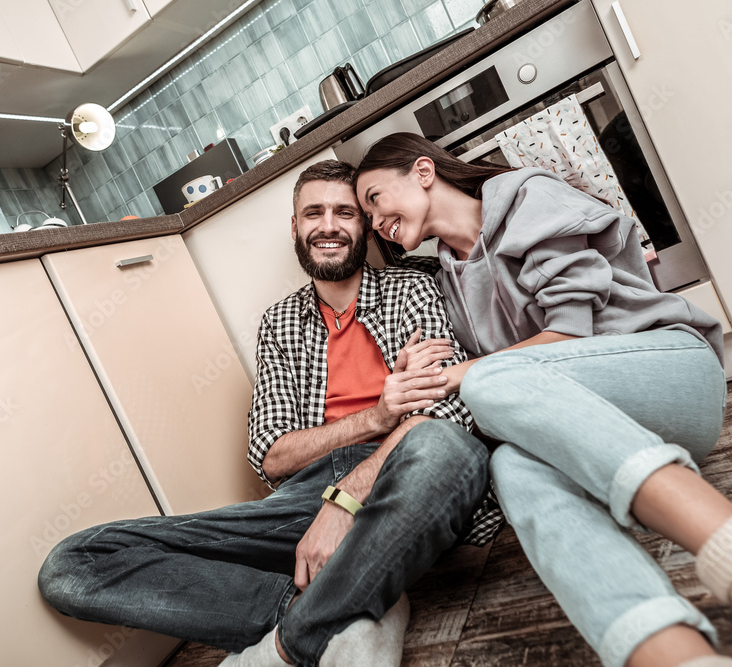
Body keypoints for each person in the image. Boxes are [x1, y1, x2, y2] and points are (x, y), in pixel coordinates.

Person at [354, 132, 732, 667]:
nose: (375, 222)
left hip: (673, 375)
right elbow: (525, 387)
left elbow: (569, 334)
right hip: (609, 432)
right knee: (513, 466)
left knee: (487, 381)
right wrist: (421, 371)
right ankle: (673, 655)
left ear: (423, 171)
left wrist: (458, 376)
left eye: (374, 198)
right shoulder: (446, 278)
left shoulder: (525, 198)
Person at [37, 159, 501, 667]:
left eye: (344, 212)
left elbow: (448, 416)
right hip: (308, 498)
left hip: (402, 472)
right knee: (74, 564)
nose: (328, 226)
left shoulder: (412, 286)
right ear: (296, 228)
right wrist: (376, 416)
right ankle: (329, 608)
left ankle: (290, 642)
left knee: (447, 450)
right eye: (313, 213)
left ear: (365, 225)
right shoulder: (280, 322)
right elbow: (272, 457)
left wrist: (347, 499)